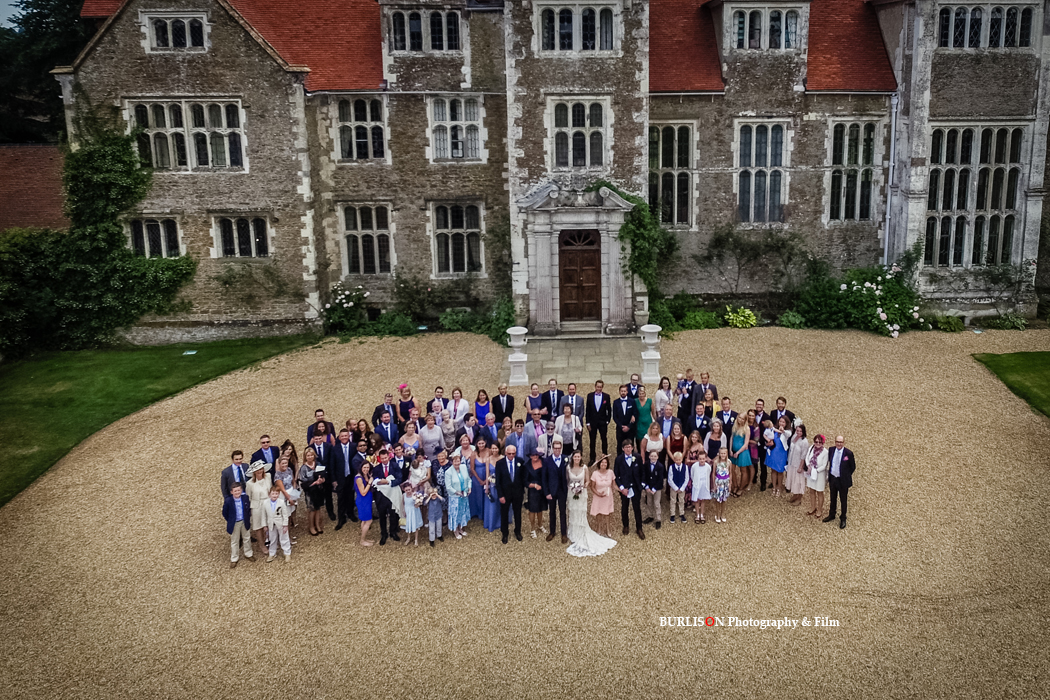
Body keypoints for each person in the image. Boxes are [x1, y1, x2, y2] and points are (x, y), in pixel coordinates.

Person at [565, 451, 616, 557]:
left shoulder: (584, 468)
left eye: (578, 456)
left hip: (581, 492)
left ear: (581, 457)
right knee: (573, 511)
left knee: (581, 511)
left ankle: (583, 529)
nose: (577, 458)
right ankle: (574, 531)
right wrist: (573, 487)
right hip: (572, 492)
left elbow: (588, 482)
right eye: (575, 456)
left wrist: (582, 486)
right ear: (572, 458)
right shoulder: (568, 468)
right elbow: (567, 481)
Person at [494, 444, 526, 543]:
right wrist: (501, 495)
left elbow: (523, 478)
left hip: (517, 493)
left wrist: (522, 491)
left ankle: (517, 531)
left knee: (517, 514)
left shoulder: (520, 461)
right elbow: (498, 481)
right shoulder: (500, 463)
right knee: (504, 514)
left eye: (513, 453)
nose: (511, 455)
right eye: (509, 453)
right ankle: (505, 533)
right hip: (505, 494)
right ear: (505, 453)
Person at [371, 448, 403, 545]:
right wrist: (379, 482)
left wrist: (388, 482)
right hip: (381, 497)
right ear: (379, 459)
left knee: (393, 515)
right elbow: (374, 481)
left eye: (386, 458)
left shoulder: (394, 465)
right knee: (382, 516)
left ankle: (393, 532)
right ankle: (383, 534)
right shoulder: (376, 468)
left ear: (389, 457)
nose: (384, 460)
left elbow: (399, 478)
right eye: (382, 458)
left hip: (392, 495)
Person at [823, 435, 856, 529]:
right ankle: (832, 514)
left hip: (843, 481)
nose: (839, 443)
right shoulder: (831, 450)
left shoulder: (848, 453)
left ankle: (843, 518)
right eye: (837, 441)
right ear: (835, 442)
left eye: (841, 442)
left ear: (843, 443)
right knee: (833, 498)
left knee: (843, 500)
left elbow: (852, 467)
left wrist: (845, 475)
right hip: (833, 478)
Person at [614, 441, 644, 539]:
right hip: (624, 488)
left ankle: (639, 528)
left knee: (637, 508)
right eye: (626, 447)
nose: (628, 449)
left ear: (632, 448)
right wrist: (622, 488)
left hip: (635, 487)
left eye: (629, 447)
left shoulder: (638, 457)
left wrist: (642, 485)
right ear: (622, 448)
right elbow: (616, 475)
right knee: (624, 507)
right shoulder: (618, 459)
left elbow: (642, 471)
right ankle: (625, 526)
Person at [543, 438, 569, 543]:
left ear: (561, 448)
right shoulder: (547, 460)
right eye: (555, 448)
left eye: (559, 448)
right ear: (552, 449)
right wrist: (546, 492)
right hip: (551, 491)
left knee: (563, 512)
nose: (557, 450)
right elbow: (544, 479)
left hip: (562, 490)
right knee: (552, 512)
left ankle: (564, 533)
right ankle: (552, 532)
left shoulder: (565, 459)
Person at [298, 446, 326, 536]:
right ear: (305, 457)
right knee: (312, 509)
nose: (310, 457)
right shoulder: (303, 468)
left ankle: (317, 525)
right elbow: (302, 481)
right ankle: (311, 527)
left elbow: (324, 474)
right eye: (308, 455)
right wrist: (313, 483)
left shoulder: (318, 464)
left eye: (311, 455)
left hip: (319, 489)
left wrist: (322, 480)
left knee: (318, 509)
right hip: (310, 491)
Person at [245, 461, 273, 555]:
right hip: (257, 505)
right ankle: (262, 545)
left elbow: (271, 489)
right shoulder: (249, 483)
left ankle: (268, 540)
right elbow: (248, 497)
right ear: (254, 472)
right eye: (257, 470)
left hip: (267, 503)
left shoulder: (268, 476)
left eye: (261, 469)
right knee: (258, 526)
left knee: (269, 523)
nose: (259, 471)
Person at [223, 483, 253, 568]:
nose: (237, 492)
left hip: (244, 521)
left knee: (247, 538)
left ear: (241, 490)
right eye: (235, 491)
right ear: (232, 492)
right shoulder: (228, 501)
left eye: (239, 490)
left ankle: (248, 553)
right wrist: (230, 520)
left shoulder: (245, 498)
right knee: (235, 541)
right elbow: (225, 512)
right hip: (235, 523)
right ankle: (234, 558)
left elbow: (248, 509)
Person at [332, 428, 357, 529]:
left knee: (350, 496)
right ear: (339, 437)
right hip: (340, 477)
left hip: (351, 476)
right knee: (341, 498)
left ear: (349, 436)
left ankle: (350, 514)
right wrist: (334, 480)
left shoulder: (354, 447)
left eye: (346, 436)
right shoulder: (335, 449)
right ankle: (341, 518)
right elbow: (332, 465)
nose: (344, 438)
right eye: (342, 436)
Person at [262, 484, 292, 562]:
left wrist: (285, 525)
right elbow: (263, 515)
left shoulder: (281, 502)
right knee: (272, 538)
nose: (275, 495)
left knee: (284, 538)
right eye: (273, 493)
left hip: (280, 523)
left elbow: (285, 514)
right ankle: (272, 553)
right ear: (269, 494)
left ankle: (287, 553)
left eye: (276, 493)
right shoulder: (265, 503)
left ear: (278, 494)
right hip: (271, 524)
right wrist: (264, 525)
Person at [588, 456, 616, 538]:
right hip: (598, 495)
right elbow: (592, 486)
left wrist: (622, 490)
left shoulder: (611, 472)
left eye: (605, 462)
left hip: (607, 495)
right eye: (602, 462)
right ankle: (599, 529)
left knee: (607, 513)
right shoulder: (595, 474)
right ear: (599, 464)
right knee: (599, 513)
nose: (604, 464)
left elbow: (614, 485)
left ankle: (608, 529)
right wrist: (597, 493)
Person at [445, 453, 471, 539]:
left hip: (464, 495)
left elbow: (468, 479)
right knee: (455, 513)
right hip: (454, 497)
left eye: (458, 460)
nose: (457, 463)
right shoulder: (448, 472)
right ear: (452, 462)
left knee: (462, 512)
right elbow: (448, 487)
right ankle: (455, 530)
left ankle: (461, 528)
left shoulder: (463, 467)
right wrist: (456, 492)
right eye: (455, 461)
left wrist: (469, 488)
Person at [271, 456, 300, 535]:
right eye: (283, 463)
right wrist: (289, 498)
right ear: (279, 464)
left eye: (286, 463)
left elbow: (293, 481)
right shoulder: (277, 475)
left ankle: (289, 533)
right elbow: (282, 489)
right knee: (285, 516)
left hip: (291, 492)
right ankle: (286, 536)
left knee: (290, 514)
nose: (284, 465)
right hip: (284, 495)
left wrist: (294, 492)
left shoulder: (289, 470)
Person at [803, 435, 829, 520]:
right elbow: (807, 457)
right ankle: (813, 507)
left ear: (822, 443)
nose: (817, 444)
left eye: (819, 442)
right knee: (811, 491)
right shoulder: (811, 448)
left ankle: (820, 509)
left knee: (819, 492)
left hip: (819, 474)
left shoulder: (825, 452)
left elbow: (824, 465)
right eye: (816, 442)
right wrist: (808, 466)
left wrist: (815, 470)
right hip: (811, 472)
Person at [585, 380, 611, 462]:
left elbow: (609, 410)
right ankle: (592, 458)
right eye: (597, 386)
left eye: (600, 387)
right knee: (592, 441)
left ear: (602, 387)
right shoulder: (589, 396)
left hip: (603, 423)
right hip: (592, 423)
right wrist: (588, 423)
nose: (599, 388)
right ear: (595, 386)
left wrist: (607, 421)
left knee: (604, 440)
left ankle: (605, 457)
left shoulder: (606, 396)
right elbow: (587, 410)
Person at [764, 417, 790, 497]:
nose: (781, 423)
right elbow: (767, 438)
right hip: (773, 452)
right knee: (773, 470)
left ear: (786, 424)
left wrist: (783, 430)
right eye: (780, 421)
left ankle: (779, 487)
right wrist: (767, 443)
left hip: (781, 453)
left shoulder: (788, 432)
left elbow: (787, 435)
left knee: (780, 471)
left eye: (783, 422)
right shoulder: (773, 429)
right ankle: (774, 487)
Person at [784, 424, 809, 504]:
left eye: (800, 431)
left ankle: (799, 498)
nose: (798, 432)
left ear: (803, 432)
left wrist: (800, 467)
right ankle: (795, 495)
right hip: (791, 462)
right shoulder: (794, 437)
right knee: (793, 479)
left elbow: (803, 455)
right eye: (797, 430)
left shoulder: (804, 441)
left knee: (799, 481)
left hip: (798, 464)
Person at [524, 453, 547, 538]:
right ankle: (532, 529)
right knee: (532, 510)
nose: (535, 457)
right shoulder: (527, 466)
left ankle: (540, 525)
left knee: (540, 509)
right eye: (533, 455)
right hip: (533, 491)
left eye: (537, 455)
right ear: (530, 456)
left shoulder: (543, 462)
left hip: (542, 489)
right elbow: (525, 482)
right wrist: (534, 485)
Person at [642, 449, 665, 529]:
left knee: (657, 503)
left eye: (655, 456)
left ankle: (658, 519)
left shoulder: (660, 466)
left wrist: (654, 489)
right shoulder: (646, 464)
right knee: (649, 502)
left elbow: (660, 479)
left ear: (658, 457)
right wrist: (646, 487)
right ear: (649, 456)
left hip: (657, 488)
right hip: (648, 487)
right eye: (651, 456)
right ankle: (650, 516)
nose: (653, 457)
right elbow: (644, 475)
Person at [481, 443, 502, 533]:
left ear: (499, 449)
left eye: (496, 448)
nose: (494, 450)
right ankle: (492, 523)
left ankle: (500, 522)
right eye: (492, 448)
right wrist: (487, 486)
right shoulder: (488, 459)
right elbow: (487, 474)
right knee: (492, 503)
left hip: (501, 484)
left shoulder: (502, 458)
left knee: (500, 503)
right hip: (492, 485)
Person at [729, 413, 752, 497]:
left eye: (742, 419)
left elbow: (746, 444)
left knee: (743, 470)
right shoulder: (734, 427)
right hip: (733, 451)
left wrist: (738, 452)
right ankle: (735, 485)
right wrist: (730, 449)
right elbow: (732, 438)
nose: (740, 420)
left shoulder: (747, 428)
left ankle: (741, 488)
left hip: (742, 452)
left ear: (745, 420)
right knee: (732, 469)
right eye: (739, 418)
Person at [612, 384, 638, 454]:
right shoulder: (615, 402)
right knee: (620, 446)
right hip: (620, 429)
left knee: (630, 446)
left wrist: (629, 426)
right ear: (619, 392)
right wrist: (621, 426)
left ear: (627, 392)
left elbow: (635, 414)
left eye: (624, 391)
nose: (623, 392)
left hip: (630, 429)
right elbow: (614, 416)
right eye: (621, 391)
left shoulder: (632, 401)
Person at [355, 460, 375, 546]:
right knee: (368, 521)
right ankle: (362, 540)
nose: (366, 469)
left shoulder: (366, 475)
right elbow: (363, 492)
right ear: (361, 467)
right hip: (363, 501)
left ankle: (364, 537)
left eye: (367, 467)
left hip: (367, 500)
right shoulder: (359, 478)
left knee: (364, 520)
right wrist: (370, 483)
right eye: (364, 467)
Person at [467, 437, 488, 520]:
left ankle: (485, 513)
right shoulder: (473, 454)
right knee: (478, 496)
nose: (481, 445)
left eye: (483, 443)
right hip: (477, 477)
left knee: (486, 495)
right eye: (479, 443)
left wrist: (486, 480)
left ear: (485, 443)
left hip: (487, 475)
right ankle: (477, 513)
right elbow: (472, 468)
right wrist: (479, 480)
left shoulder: (489, 451)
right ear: (477, 444)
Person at [753, 399, 771, 489]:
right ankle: (754, 478)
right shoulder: (752, 415)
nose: (759, 406)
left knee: (763, 464)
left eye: (761, 405)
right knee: (754, 462)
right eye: (757, 404)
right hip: (753, 444)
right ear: (755, 405)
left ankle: (763, 482)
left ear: (763, 406)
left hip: (763, 444)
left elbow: (770, 431)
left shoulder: (767, 417)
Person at [667, 451, 689, 524]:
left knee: (681, 500)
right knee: (673, 500)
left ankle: (681, 513)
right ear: (674, 459)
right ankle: (672, 514)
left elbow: (686, 478)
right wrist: (675, 488)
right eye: (676, 460)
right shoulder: (671, 467)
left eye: (679, 459)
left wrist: (682, 488)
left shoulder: (685, 467)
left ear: (682, 459)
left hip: (682, 487)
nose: (678, 461)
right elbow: (670, 479)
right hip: (674, 487)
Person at [690, 451, 713, 524]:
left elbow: (708, 474)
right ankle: (697, 515)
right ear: (698, 459)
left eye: (703, 458)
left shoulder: (708, 467)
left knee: (703, 500)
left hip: (704, 485)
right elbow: (692, 475)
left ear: (706, 458)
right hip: (697, 485)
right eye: (700, 459)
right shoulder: (694, 466)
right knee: (696, 500)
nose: (702, 460)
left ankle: (702, 514)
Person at [712, 447, 731, 523]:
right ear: (719, 454)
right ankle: (717, 514)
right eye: (721, 453)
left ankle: (723, 514)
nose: (723, 455)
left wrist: (730, 484)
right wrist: (714, 484)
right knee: (718, 500)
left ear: (726, 454)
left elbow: (731, 473)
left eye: (724, 453)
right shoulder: (716, 462)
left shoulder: (729, 462)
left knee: (724, 500)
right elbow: (713, 473)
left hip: (726, 482)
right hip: (718, 482)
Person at [634, 385, 653, 452]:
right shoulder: (635, 401)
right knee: (639, 441)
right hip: (639, 424)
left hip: (648, 424)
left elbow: (653, 413)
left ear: (645, 393)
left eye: (643, 393)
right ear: (638, 394)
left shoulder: (650, 401)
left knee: (648, 440)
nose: (641, 395)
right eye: (640, 393)